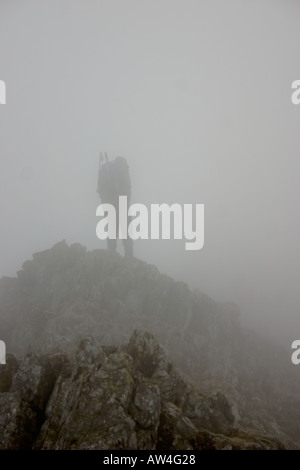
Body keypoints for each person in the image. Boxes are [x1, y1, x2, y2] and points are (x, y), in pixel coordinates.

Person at [97, 155, 134, 258]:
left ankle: (111, 256)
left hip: (109, 206)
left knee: (112, 233)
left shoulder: (109, 173)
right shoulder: (123, 172)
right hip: (122, 206)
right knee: (126, 234)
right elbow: (127, 191)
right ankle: (129, 258)